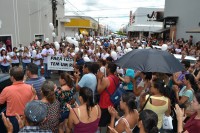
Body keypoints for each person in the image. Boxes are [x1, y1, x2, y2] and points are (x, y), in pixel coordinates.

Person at [0, 66, 36, 132]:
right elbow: (35, 101)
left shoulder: (7, 90)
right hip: (27, 118)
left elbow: (1, 102)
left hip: (12, 119)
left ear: (12, 78)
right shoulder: (30, 88)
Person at [97, 62, 119, 132]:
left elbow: (99, 91)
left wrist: (99, 79)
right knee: (110, 123)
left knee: (102, 124)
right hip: (113, 103)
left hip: (105, 105)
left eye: (106, 67)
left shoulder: (106, 79)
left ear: (109, 69)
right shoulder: (116, 78)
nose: (105, 69)